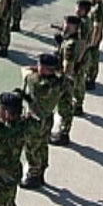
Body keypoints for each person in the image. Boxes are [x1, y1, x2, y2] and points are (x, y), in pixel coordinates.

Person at [19, 53, 68, 189]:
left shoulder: (35, 82)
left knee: (32, 148)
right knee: (43, 146)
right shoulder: (60, 82)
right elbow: (63, 76)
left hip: (34, 121)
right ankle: (41, 173)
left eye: (40, 65)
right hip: (47, 118)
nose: (38, 66)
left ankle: (33, 175)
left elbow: (24, 70)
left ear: (45, 69)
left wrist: (34, 68)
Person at [50, 15, 83, 147]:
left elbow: (67, 67)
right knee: (66, 107)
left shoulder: (70, 45)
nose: (64, 27)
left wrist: (61, 81)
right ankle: (64, 132)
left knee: (65, 108)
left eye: (67, 25)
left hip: (65, 80)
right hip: (70, 79)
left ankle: (64, 135)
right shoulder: (73, 40)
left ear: (73, 27)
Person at [85, 0, 103, 90]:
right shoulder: (97, 7)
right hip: (92, 36)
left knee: (93, 58)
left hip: (94, 37)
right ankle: (90, 77)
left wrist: (93, 42)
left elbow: (97, 27)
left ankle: (91, 80)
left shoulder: (98, 9)